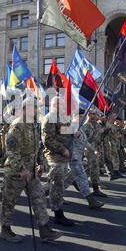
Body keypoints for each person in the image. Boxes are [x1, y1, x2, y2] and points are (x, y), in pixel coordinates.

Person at [0, 98, 62, 243]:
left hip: (31, 171)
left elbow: (36, 148)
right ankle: (5, 230)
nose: (37, 110)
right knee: (9, 201)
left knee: (39, 197)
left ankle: (44, 228)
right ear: (26, 109)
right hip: (16, 172)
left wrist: (41, 163)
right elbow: (11, 151)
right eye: (34, 108)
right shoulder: (17, 126)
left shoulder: (32, 125)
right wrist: (22, 169)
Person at [41, 97, 74, 227]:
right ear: (55, 105)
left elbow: (63, 132)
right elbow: (47, 140)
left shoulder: (61, 118)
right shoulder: (49, 118)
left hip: (64, 156)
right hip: (55, 156)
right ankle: (58, 214)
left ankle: (38, 194)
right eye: (61, 104)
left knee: (54, 183)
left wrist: (73, 131)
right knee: (57, 185)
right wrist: (62, 150)